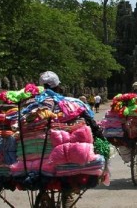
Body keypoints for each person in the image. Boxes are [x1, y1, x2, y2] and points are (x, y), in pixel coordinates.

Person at [38, 71, 104, 208]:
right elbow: (90, 123)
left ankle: (44, 194)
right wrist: (100, 138)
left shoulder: (31, 104)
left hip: (39, 156)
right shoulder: (71, 103)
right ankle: (67, 194)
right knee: (69, 173)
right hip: (65, 156)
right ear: (58, 87)